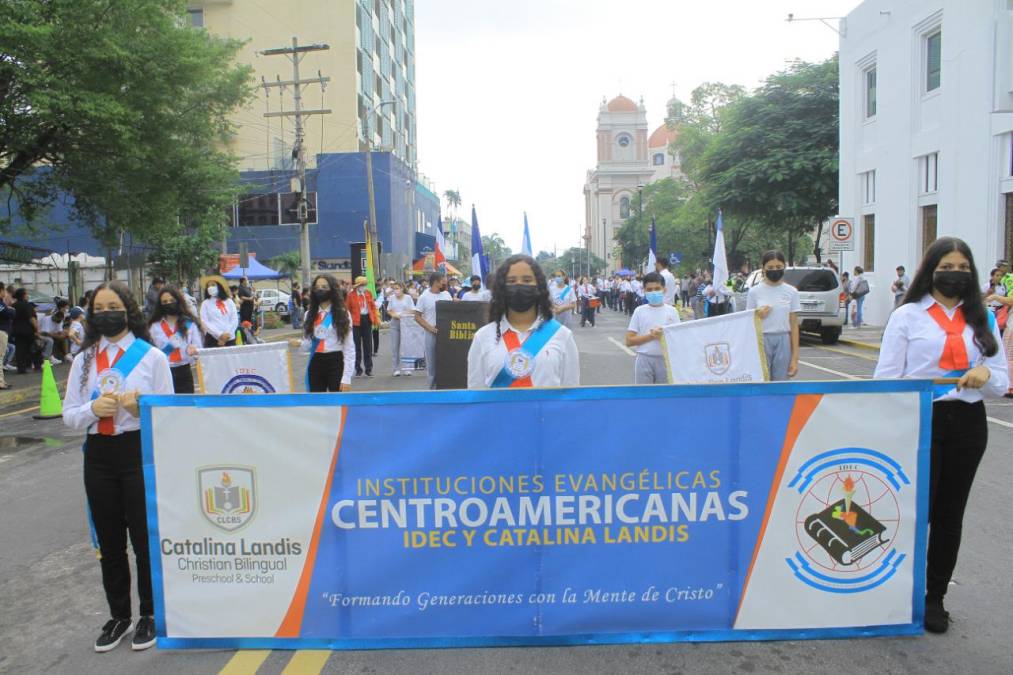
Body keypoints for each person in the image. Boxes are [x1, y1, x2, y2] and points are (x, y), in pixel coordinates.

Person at [874, 237, 1008, 634]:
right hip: (919, 420)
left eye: (963, 268)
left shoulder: (980, 318)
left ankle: (935, 599)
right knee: (915, 514)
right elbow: (886, 379)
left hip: (968, 423)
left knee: (950, 517)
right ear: (931, 269)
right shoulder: (908, 316)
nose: (956, 274)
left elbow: (1000, 381)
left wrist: (985, 374)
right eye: (948, 267)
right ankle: (899, 594)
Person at [62, 281, 173, 652]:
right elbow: (69, 415)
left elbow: (168, 413)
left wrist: (139, 408)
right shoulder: (84, 360)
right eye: (99, 307)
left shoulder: (151, 357)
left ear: (128, 310)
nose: (106, 313)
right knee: (110, 543)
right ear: (92, 314)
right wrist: (92, 410)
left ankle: (150, 614)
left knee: (144, 539)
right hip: (99, 455)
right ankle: (119, 616)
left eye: (114, 306)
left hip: (136, 452)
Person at [467, 254, 579, 388]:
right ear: (501, 288)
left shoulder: (562, 336)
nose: (519, 285)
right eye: (512, 281)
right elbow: (475, 394)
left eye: (527, 280)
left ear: (539, 287)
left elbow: (571, 396)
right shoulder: (483, 337)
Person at [290, 274, 354, 392]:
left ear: (332, 290)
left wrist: (346, 378)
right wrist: (299, 343)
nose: (320, 290)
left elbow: (349, 348)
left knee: (337, 404)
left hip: (336, 361)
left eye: (324, 287)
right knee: (317, 404)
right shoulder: (309, 315)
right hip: (316, 361)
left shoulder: (343, 314)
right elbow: (308, 345)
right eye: (317, 287)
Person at [747, 250, 801, 380]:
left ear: (784, 267)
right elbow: (748, 321)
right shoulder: (754, 292)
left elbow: (794, 326)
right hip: (762, 339)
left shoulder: (791, 292)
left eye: (778, 267)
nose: (774, 270)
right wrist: (757, 315)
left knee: (780, 382)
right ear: (763, 269)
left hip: (783, 340)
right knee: (762, 380)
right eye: (770, 267)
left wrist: (794, 359)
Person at [626, 272, 680, 384]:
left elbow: (678, 339)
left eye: (657, 288)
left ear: (664, 290)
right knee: (643, 396)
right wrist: (651, 336)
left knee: (663, 397)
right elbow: (629, 341)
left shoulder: (672, 311)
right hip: (644, 359)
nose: (653, 292)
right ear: (644, 291)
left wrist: (663, 335)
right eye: (649, 290)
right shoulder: (639, 311)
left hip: (665, 360)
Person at [148, 286, 203, 394]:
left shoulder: (189, 324)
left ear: (178, 301)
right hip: (163, 371)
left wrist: (194, 351)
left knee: (186, 406)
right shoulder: (154, 326)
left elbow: (199, 350)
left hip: (185, 371)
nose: (169, 304)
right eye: (165, 302)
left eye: (172, 300)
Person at [415, 272, 451, 389]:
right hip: (431, 334)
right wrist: (430, 328)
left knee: (446, 361)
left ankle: (445, 389)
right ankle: (432, 391)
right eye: (443, 282)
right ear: (435, 282)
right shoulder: (424, 297)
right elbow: (417, 316)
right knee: (432, 365)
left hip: (446, 334)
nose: (445, 284)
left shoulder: (446, 294)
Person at [346, 276, 379, 377]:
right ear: (357, 286)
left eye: (364, 285)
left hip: (367, 320)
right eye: (362, 285)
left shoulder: (368, 293)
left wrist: (375, 319)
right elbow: (347, 310)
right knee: (356, 346)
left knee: (368, 346)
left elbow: (373, 307)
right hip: (356, 322)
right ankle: (358, 368)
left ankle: (368, 369)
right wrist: (348, 323)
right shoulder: (350, 295)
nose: (363, 287)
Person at [386, 281, 416, 376]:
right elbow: (389, 310)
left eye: (397, 288)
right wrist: (395, 315)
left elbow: (412, 310)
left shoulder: (408, 298)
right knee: (395, 347)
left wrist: (404, 314)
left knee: (406, 346)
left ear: (402, 288)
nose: (396, 290)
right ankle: (396, 369)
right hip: (395, 323)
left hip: (406, 323)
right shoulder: (391, 298)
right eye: (394, 288)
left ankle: (407, 368)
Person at [11, 287, 44, 373]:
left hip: (17, 331)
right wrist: (37, 330)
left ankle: (21, 368)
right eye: (26, 294)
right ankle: (37, 366)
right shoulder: (28, 305)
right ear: (24, 295)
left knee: (20, 350)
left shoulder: (13, 306)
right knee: (35, 347)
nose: (27, 296)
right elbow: (31, 318)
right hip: (28, 330)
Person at [199, 277, 238, 348]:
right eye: (208, 286)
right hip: (212, 339)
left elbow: (234, 319)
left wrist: (226, 335)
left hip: (229, 338)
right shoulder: (205, 303)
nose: (210, 287)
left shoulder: (229, 302)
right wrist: (219, 334)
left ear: (219, 286)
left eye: (213, 285)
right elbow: (204, 321)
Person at [0, 283, 12, 389]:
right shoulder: (0, 304)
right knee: (0, 357)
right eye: (4, 290)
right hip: (1, 332)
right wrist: (10, 309)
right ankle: (0, 382)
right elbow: (8, 313)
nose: (5, 293)